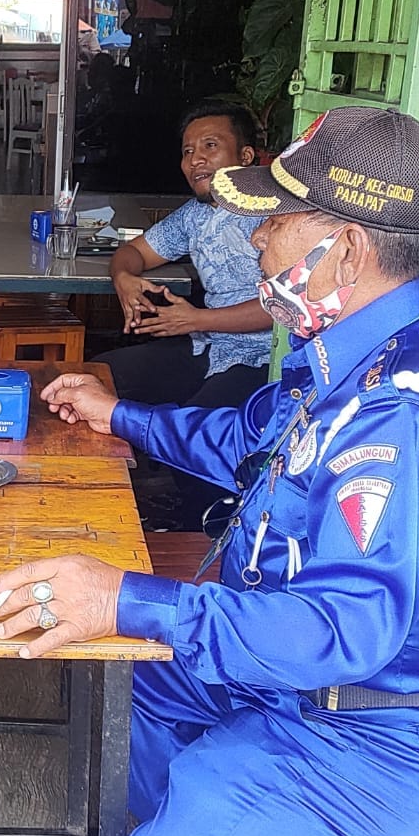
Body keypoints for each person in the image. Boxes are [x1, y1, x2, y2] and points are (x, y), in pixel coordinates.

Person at [0, 108, 419, 836]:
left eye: (277, 220)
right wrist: (117, 414)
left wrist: (127, 597)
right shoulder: (359, 354)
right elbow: (250, 436)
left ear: (346, 249)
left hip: (376, 729)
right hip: (289, 675)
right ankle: (228, 821)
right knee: (133, 694)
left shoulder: (411, 417)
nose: (260, 236)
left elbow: (339, 631)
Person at [98, 101, 274, 523]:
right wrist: (123, 279)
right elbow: (132, 252)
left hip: (266, 358)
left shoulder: (275, 215)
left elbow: (284, 304)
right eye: (188, 150)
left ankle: (209, 526)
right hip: (209, 346)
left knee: (196, 432)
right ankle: (107, 495)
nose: (195, 158)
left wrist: (196, 319)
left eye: (210, 146)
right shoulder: (194, 216)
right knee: (102, 377)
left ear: (245, 157)